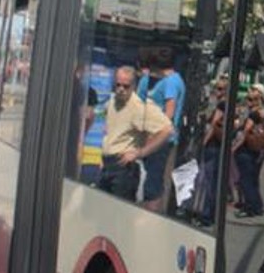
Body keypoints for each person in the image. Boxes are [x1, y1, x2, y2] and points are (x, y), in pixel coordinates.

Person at [98, 66, 174, 202]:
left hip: (123, 167)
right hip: (107, 164)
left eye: (126, 86)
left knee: (119, 215)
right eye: (118, 85)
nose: (121, 89)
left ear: (133, 86)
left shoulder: (140, 106)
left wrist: (141, 152)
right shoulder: (113, 101)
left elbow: (167, 129)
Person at [140, 50, 186, 213]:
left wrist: (154, 135)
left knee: (154, 179)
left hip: (160, 139)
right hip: (159, 137)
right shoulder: (172, 80)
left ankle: (150, 212)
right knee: (153, 178)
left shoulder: (171, 82)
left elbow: (170, 111)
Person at [196, 76, 230, 227]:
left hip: (213, 145)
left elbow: (214, 123)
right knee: (212, 181)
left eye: (221, 89)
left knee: (210, 181)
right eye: (217, 88)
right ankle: (209, 214)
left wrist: (204, 142)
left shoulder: (223, 104)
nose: (218, 91)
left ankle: (207, 215)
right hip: (218, 146)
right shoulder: (219, 102)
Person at [232, 84, 264, 218]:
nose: (249, 93)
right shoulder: (261, 111)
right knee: (252, 178)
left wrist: (233, 148)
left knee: (246, 179)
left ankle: (251, 207)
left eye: (253, 92)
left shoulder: (255, 113)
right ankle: (256, 205)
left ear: (259, 95)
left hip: (247, 150)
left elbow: (245, 132)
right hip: (256, 149)